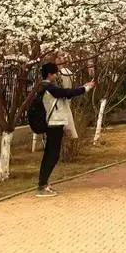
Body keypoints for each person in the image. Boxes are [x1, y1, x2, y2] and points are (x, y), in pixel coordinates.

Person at [36, 61, 94, 197]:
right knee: (52, 155)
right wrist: (86, 88)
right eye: (55, 73)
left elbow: (66, 94)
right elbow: (67, 92)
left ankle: (43, 183)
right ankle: (42, 185)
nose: (56, 75)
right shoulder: (49, 88)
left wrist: (84, 87)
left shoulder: (47, 87)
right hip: (54, 124)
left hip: (54, 124)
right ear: (50, 74)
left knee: (50, 155)